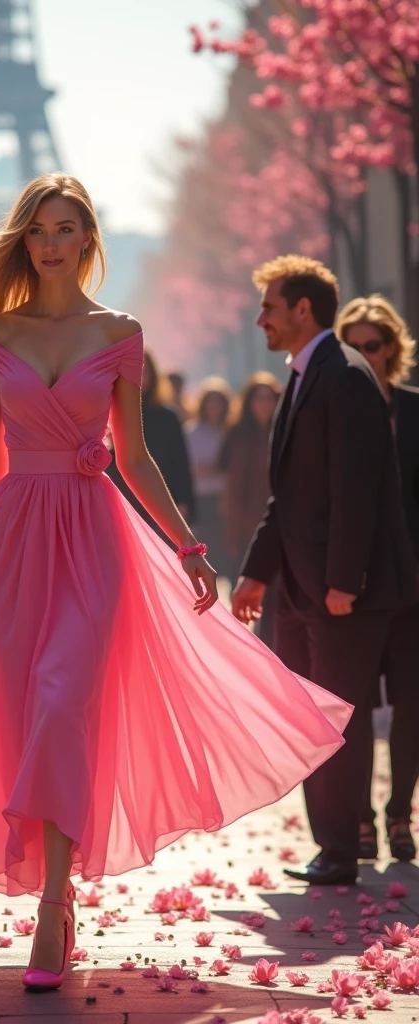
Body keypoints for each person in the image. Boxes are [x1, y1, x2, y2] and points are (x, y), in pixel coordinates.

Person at [0, 175, 351, 992]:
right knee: (22, 715)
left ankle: (53, 906)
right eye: (37, 230)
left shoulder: (120, 332)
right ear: (24, 241)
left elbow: (132, 456)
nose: (51, 243)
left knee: (64, 701)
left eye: (66, 229)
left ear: (89, 239)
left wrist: (191, 547)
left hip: (96, 540)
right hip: (10, 543)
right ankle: (49, 880)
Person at [233, 256, 417, 886]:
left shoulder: (344, 375)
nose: (261, 319)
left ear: (302, 309)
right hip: (304, 588)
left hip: (340, 594)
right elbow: (292, 494)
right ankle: (333, 843)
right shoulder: (311, 374)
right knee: (316, 718)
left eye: (270, 307)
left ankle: (341, 849)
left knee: (335, 719)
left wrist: (345, 581)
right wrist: (256, 572)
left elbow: (357, 488)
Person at [337, 294, 419, 863]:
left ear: (393, 347)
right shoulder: (336, 408)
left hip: (413, 586)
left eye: (374, 344)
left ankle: (399, 816)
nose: (366, 354)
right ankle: (360, 821)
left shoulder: (413, 410)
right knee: (357, 708)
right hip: (357, 586)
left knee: (412, 706)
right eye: (354, 346)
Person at [106, 347, 195, 546]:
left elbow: (180, 463)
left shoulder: (167, 416)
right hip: (121, 500)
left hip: (160, 499)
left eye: (143, 370)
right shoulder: (107, 413)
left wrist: (183, 502)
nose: (138, 375)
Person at [219, 373, 282, 647]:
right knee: (242, 586)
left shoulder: (283, 430)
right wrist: (233, 531)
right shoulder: (240, 435)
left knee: (275, 594)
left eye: (269, 397)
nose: (264, 404)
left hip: (281, 524)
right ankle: (240, 647)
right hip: (247, 525)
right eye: (259, 397)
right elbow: (232, 487)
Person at [184, 378, 232, 578]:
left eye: (218, 402)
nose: (214, 407)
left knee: (224, 542)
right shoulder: (191, 431)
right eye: (210, 401)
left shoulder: (229, 431)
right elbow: (187, 465)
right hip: (200, 496)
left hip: (225, 496)